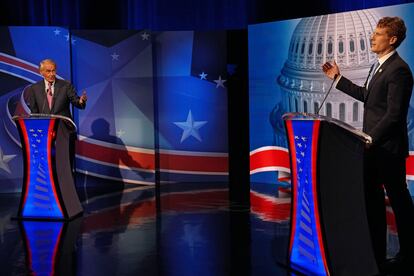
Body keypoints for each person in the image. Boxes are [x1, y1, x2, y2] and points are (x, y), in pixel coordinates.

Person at [322, 16, 414, 273]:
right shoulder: (379, 67)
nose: (372, 37)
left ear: (392, 39)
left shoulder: (400, 70)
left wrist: (370, 138)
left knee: (400, 203)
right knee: (372, 203)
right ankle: (376, 254)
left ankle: (409, 256)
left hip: (387, 150)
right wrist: (338, 79)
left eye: (378, 33)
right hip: (373, 150)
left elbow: (394, 115)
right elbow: (367, 97)